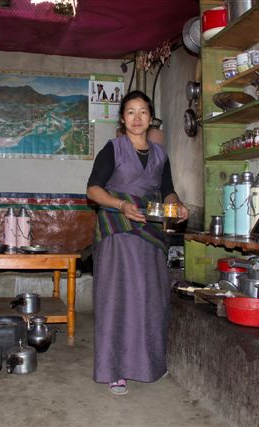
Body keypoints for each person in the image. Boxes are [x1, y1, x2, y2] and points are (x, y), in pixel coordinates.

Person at [86, 90, 189, 395]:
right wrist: (121, 206)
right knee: (118, 299)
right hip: (118, 231)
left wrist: (177, 204)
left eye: (142, 112)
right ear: (122, 118)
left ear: (150, 117)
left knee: (150, 297)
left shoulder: (160, 154)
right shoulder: (113, 149)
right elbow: (93, 190)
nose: (137, 118)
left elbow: (167, 190)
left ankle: (148, 364)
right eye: (130, 112)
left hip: (152, 234)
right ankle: (115, 370)